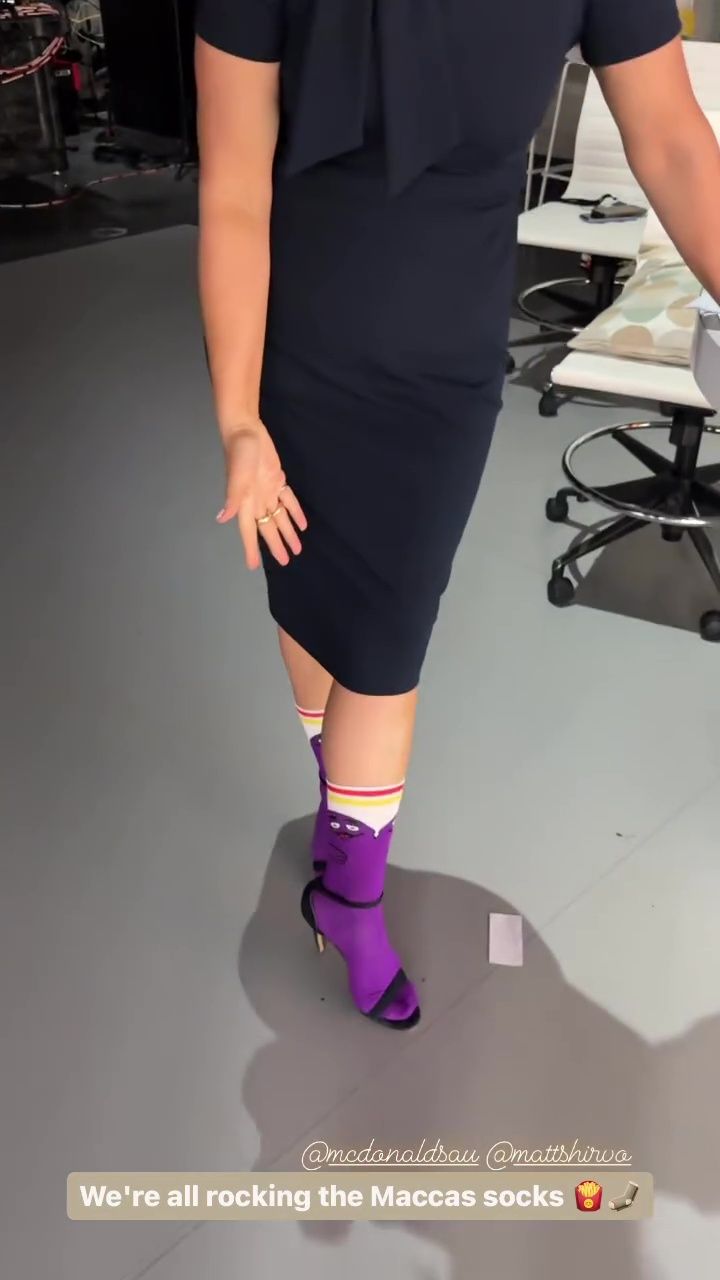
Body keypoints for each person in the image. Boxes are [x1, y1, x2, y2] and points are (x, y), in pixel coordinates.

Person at [194, 0, 720, 1030]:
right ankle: (346, 809)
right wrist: (239, 419)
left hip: (443, 361)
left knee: (387, 642)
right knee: (310, 595)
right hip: (299, 342)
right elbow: (235, 188)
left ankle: (350, 896)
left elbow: (671, 140)